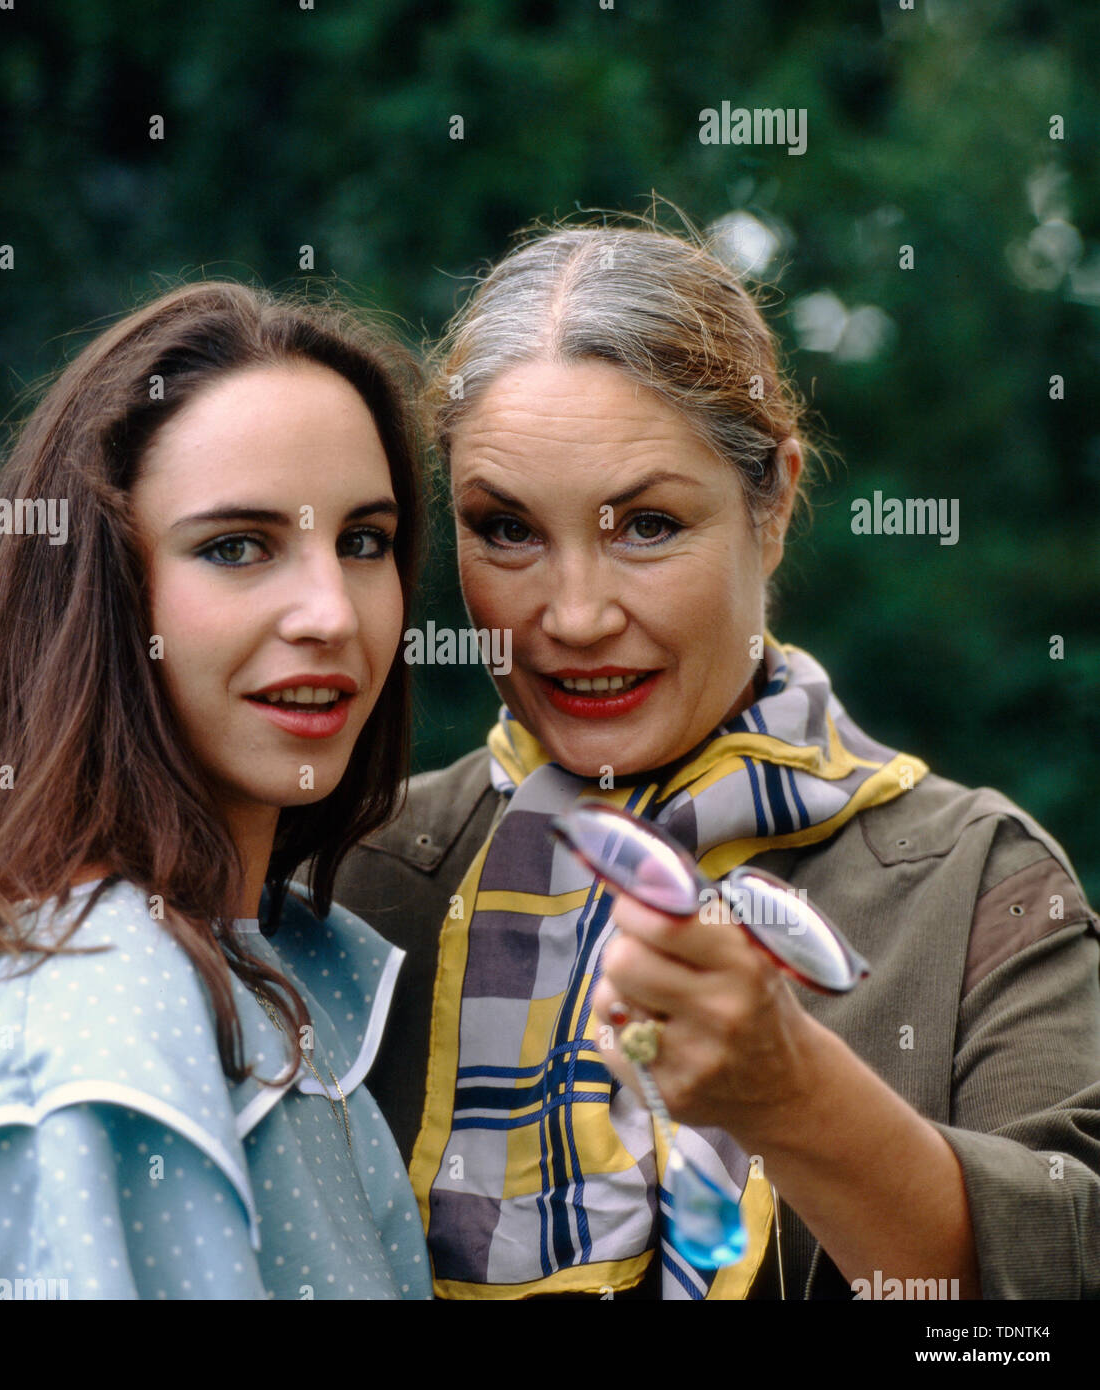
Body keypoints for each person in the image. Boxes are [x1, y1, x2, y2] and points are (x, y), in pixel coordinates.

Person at [331, 219, 1100, 1300]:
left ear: (772, 502)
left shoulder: (977, 884)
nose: (576, 615)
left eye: (645, 524)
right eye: (505, 530)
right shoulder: (350, 879)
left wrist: (792, 1097)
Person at [0, 280, 431, 1300]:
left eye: (363, 541)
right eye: (237, 546)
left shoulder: (238, 953)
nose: (331, 610)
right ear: (100, 594)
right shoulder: (106, 990)